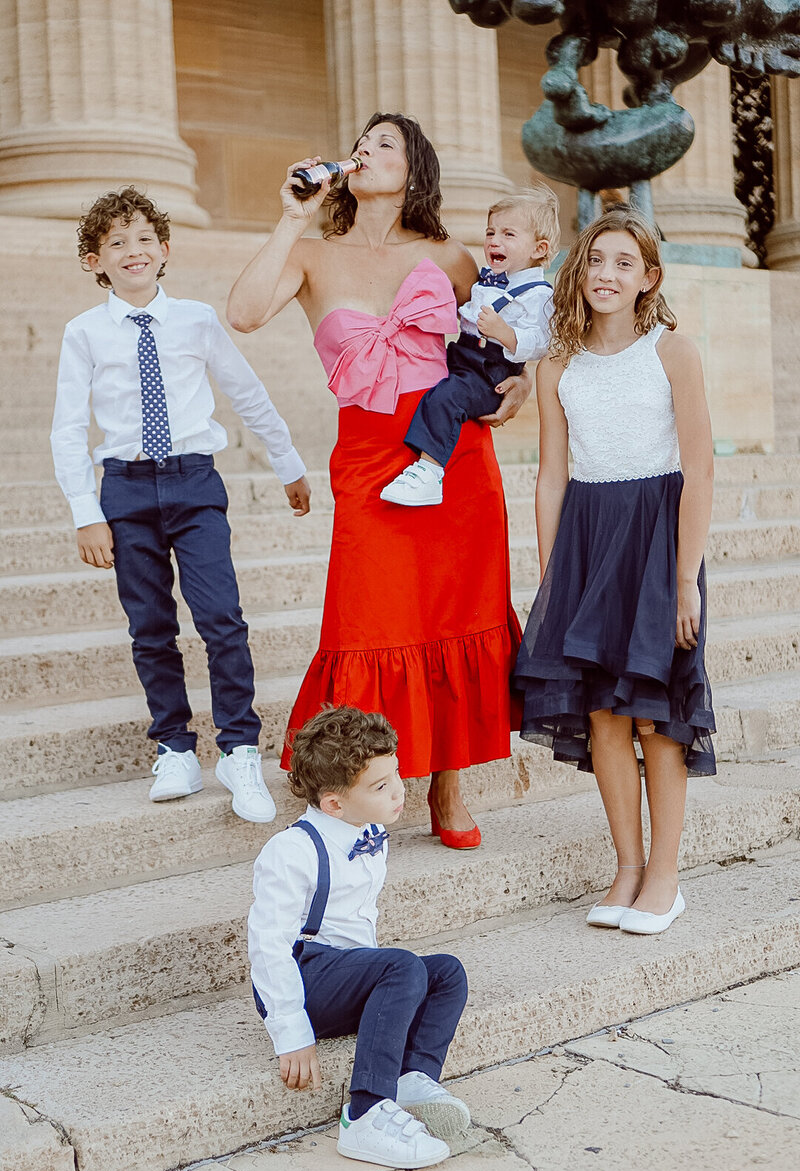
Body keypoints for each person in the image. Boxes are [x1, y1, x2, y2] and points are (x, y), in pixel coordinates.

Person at [228, 113, 530, 850]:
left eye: (385, 142)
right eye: (362, 141)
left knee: (454, 612)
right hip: (367, 461)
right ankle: (367, 784)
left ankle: (449, 783)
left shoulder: (452, 256)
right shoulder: (311, 253)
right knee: (372, 621)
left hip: (452, 462)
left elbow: (512, 333)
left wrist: (520, 383)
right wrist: (290, 215)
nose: (366, 149)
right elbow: (242, 313)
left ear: (415, 169)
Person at [51, 187, 311, 822]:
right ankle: (174, 747)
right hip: (126, 489)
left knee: (221, 616)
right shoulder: (83, 333)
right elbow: (66, 428)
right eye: (116, 243)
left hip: (195, 482)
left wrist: (289, 464)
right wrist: (86, 510)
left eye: (144, 239)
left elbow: (246, 394)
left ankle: (240, 748)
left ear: (164, 250)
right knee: (151, 626)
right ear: (94, 261)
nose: (132, 251)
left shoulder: (196, 320)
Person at [513, 206, 716, 935]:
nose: (607, 273)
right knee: (602, 710)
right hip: (585, 542)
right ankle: (626, 866)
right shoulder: (556, 367)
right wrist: (549, 579)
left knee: (657, 714)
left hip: (658, 537)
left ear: (648, 278)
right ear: (578, 268)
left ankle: (665, 875)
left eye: (624, 262)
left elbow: (698, 465)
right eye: (596, 259)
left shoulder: (673, 352)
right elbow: (550, 478)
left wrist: (686, 573)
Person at [248, 705, 470, 1170]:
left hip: (351, 973)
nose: (400, 791)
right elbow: (269, 945)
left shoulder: (369, 831)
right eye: (381, 786)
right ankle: (365, 1114)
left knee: (446, 972)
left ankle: (411, 1078)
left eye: (396, 774)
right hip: (306, 982)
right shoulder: (292, 851)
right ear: (334, 803)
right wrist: (291, 1031)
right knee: (402, 964)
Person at [380, 185, 558, 507]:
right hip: (465, 354)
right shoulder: (488, 278)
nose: (494, 240)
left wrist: (506, 334)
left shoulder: (539, 294)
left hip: (490, 370)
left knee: (448, 398)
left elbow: (541, 341)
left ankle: (428, 473)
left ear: (539, 248)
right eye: (491, 232)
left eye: (508, 234)